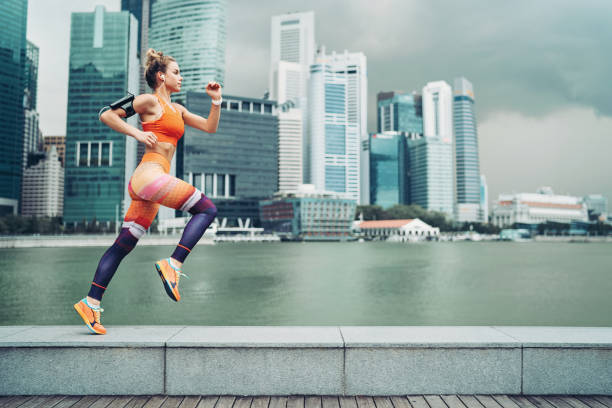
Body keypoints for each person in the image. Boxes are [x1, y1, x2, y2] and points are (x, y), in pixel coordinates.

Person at [73, 49, 222, 335]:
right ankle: (173, 263)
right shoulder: (148, 100)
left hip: (148, 185)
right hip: (148, 174)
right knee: (207, 209)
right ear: (161, 76)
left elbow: (209, 127)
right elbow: (106, 114)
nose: (181, 77)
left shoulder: (177, 109)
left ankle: (90, 302)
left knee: (123, 245)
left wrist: (215, 101)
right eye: (176, 72)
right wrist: (138, 133)